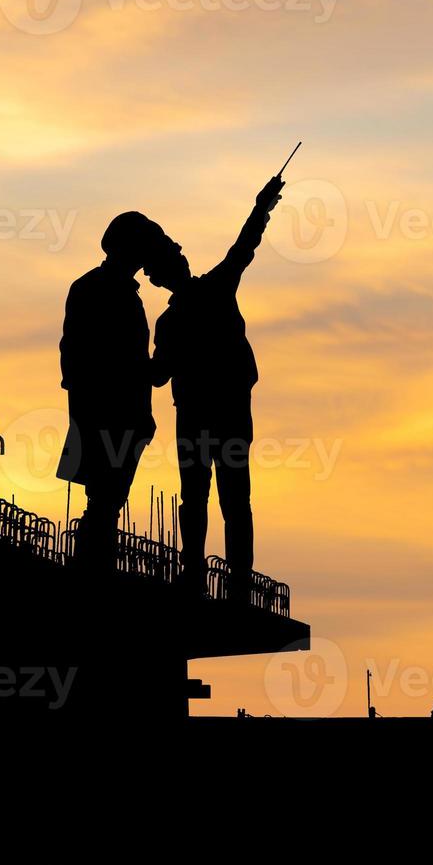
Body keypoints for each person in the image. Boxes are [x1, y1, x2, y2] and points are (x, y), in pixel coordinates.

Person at [145, 176, 284, 600]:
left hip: (208, 412)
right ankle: (219, 578)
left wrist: (262, 207)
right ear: (163, 277)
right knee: (221, 497)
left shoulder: (182, 313)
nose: (181, 260)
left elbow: (245, 246)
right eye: (173, 258)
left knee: (219, 496)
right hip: (214, 411)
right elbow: (158, 374)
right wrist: (261, 207)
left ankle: (212, 577)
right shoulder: (199, 300)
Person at [56, 211, 166, 570]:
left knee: (107, 497)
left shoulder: (107, 289)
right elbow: (86, 357)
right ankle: (93, 565)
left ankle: (94, 561)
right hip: (108, 413)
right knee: (105, 496)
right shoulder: (99, 289)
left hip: (116, 412)